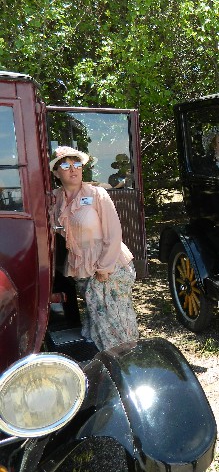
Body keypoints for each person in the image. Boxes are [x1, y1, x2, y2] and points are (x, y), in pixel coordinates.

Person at [50, 146, 139, 351]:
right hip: (82, 268)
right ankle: (104, 363)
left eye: (77, 164)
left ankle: (125, 361)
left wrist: (104, 268)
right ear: (56, 172)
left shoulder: (97, 194)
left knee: (116, 320)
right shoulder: (56, 200)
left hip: (109, 265)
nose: (73, 169)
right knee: (96, 316)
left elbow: (113, 233)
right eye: (65, 165)